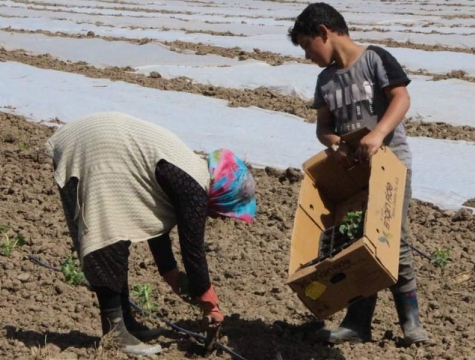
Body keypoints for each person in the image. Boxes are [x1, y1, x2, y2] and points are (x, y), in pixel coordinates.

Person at [45, 111, 257, 355]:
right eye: (224, 213)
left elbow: (157, 231)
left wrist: (173, 277)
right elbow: (193, 251)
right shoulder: (196, 188)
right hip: (96, 149)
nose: (218, 218)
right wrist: (209, 303)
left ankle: (126, 323)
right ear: (223, 195)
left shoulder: (191, 172)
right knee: (108, 237)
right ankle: (115, 333)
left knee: (119, 234)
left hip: (103, 142)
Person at [287, 2, 428, 346]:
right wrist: (335, 144)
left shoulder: (374, 59)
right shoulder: (325, 81)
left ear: (324, 32)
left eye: (307, 46)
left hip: (390, 167)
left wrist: (378, 134)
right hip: (354, 174)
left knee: (395, 242)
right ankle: (357, 323)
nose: (308, 56)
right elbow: (323, 128)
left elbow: (401, 98)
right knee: (354, 243)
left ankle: (411, 322)